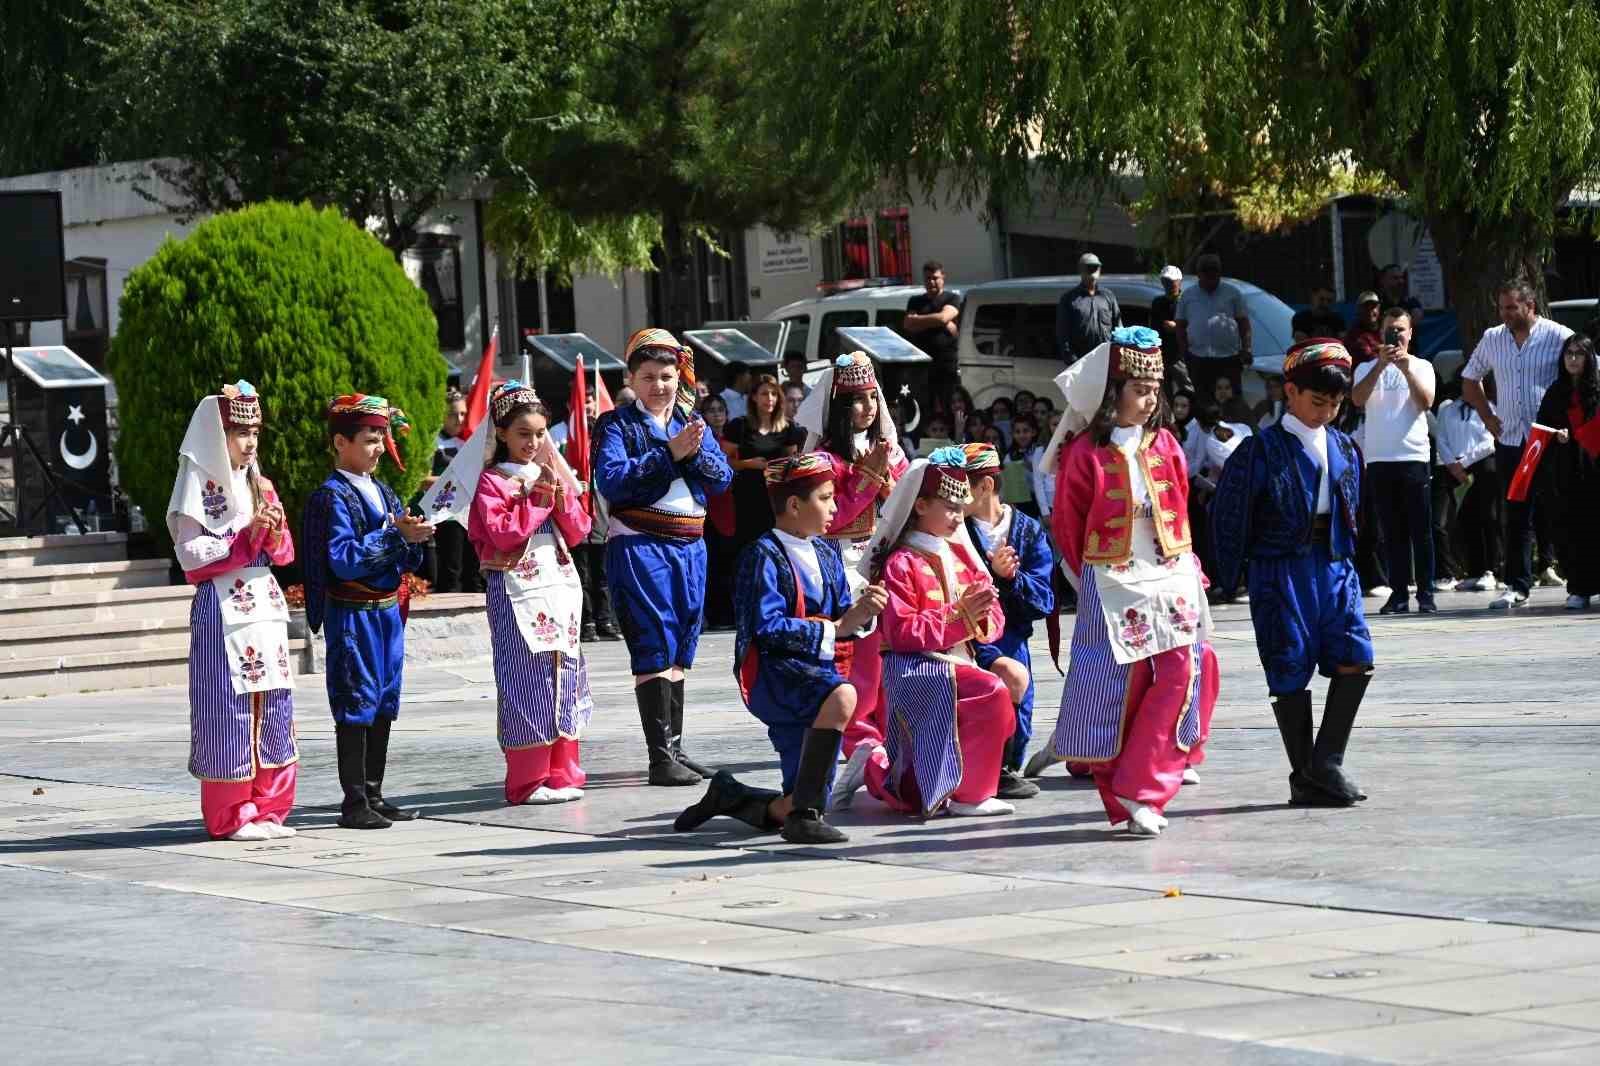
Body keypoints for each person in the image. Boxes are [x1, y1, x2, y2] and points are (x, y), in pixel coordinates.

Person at [1038, 327, 1218, 836]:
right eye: (1139, 388)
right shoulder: (1083, 453)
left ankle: (1146, 786)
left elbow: (1180, 505)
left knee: (1182, 670)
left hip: (1169, 572)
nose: (1150, 399)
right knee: (1117, 684)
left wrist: (1190, 568)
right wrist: (1089, 578)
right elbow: (1069, 526)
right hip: (1112, 579)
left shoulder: (1166, 443)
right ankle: (1120, 786)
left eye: (1153, 389)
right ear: (1110, 392)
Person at [674, 453, 888, 844]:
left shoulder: (826, 552)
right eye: (825, 498)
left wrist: (863, 613)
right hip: (774, 674)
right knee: (843, 697)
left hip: (818, 670)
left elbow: (843, 614)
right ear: (794, 505)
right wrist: (837, 627)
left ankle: (736, 797)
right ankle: (804, 817)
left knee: (802, 793)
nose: (835, 507)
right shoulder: (761, 555)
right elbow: (765, 628)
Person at [1211, 338, 1374, 808]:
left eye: (1335, 404)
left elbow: (1355, 506)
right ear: (1291, 391)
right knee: (1288, 665)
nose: (1326, 412)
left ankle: (1325, 763)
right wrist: (1227, 576)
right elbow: (1228, 514)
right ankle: (1306, 776)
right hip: (1281, 571)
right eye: (1317, 401)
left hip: (1335, 566)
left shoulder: (1345, 445)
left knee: (1355, 655)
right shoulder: (1260, 450)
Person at [594, 328, 735, 785]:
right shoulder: (615, 425)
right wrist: (670, 456)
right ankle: (660, 757)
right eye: (649, 376)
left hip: (691, 545)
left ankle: (675, 747)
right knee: (653, 638)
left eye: (667, 376)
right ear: (631, 378)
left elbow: (721, 478)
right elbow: (614, 481)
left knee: (680, 642)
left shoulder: (691, 423)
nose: (659, 386)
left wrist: (688, 453)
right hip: (640, 543)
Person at [855, 447, 1025, 817]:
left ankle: (950, 782)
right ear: (919, 506)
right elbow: (900, 632)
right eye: (947, 506)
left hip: (959, 661)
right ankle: (968, 795)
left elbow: (991, 616)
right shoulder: (901, 562)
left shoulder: (961, 555)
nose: (956, 516)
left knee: (1004, 689)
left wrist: (979, 617)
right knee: (991, 692)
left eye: (959, 506)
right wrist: (961, 617)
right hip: (917, 667)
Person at [168, 381, 298, 841]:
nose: (250, 443)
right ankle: (230, 813)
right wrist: (245, 538)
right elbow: (190, 553)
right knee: (228, 708)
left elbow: (284, 555)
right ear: (214, 436)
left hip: (263, 605)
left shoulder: (260, 484)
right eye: (240, 432)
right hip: (221, 607)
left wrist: (274, 532)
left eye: (255, 432)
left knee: (275, 703)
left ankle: (269, 806)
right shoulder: (197, 486)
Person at [303, 393, 433, 829]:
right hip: (353, 613)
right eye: (369, 439)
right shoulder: (332, 496)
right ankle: (353, 801)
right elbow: (341, 558)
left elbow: (402, 553)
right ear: (341, 443)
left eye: (381, 438)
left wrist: (413, 538)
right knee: (355, 700)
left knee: (383, 701)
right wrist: (397, 538)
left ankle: (375, 794)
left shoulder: (383, 491)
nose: (378, 448)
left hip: (386, 612)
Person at [466, 381, 595, 805]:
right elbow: (503, 534)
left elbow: (579, 531)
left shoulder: (548, 474)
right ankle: (528, 778)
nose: (534, 442)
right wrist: (539, 503)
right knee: (527, 677)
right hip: (516, 587)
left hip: (558, 586)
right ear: (502, 433)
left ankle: (562, 770)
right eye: (524, 433)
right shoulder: (491, 481)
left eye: (540, 434)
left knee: (565, 674)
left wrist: (560, 499)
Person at [795, 352, 910, 806]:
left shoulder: (892, 450)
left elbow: (904, 506)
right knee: (857, 662)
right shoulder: (823, 458)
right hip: (842, 566)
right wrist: (867, 479)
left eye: (870, 398)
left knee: (887, 660)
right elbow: (828, 518)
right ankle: (860, 743)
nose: (866, 407)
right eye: (855, 401)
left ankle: (882, 749)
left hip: (887, 563)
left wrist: (888, 475)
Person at [1460, 280, 1574, 609]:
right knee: (1517, 515)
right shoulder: (1493, 339)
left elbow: (1588, 369)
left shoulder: (1558, 335)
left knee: (1562, 510)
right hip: (1511, 441)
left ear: (1530, 306)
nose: (1505, 314)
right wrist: (1487, 417)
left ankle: (1579, 581)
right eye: (1502, 308)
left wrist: (1572, 418)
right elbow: (1470, 380)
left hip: (1551, 439)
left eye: (1512, 307)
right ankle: (1517, 585)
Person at [962, 442, 1054, 800]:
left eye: (963, 486)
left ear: (985, 485)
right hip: (966, 641)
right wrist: (990, 572)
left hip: (1012, 639)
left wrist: (1009, 577)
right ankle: (980, 772)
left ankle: (1003, 769)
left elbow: (1043, 600)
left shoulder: (1028, 531)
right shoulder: (955, 529)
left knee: (1018, 716)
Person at [1353, 310, 1438, 614]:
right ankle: (1399, 594)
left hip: (1413, 456)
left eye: (1401, 330)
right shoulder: (1365, 367)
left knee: (1421, 530)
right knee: (1392, 532)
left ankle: (1426, 593)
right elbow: (1358, 399)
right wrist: (1381, 364)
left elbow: (1426, 402)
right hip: (1379, 458)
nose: (1396, 336)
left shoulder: (1423, 365)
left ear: (1411, 333)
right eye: (1390, 330)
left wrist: (1404, 368)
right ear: (1381, 332)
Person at [1534, 334, 1600, 609]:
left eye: (1579, 354)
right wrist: (1555, 435)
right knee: (1569, 530)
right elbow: (1541, 429)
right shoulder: (1555, 393)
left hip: (1595, 470)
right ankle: (1578, 587)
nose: (1573, 359)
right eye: (1568, 354)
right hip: (1565, 471)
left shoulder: (1597, 392)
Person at [553, 388, 620, 642]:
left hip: (600, 515)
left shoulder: (604, 446)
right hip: (576, 516)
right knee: (581, 575)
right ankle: (586, 621)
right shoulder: (561, 440)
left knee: (602, 574)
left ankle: (606, 619)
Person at [724, 373, 807, 565]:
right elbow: (723, 460)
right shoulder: (739, 426)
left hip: (776, 498)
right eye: (764, 394)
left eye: (773, 394)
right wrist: (748, 464)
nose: (769, 399)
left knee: (776, 549)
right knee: (747, 548)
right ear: (753, 397)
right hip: (747, 496)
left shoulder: (788, 429)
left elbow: (791, 462)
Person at [420, 388, 478, 593]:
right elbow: (422, 480)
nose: (459, 419)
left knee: (475, 572)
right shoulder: (433, 442)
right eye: (453, 414)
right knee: (451, 572)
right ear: (443, 415)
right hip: (447, 515)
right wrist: (456, 480)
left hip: (473, 513)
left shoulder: (471, 440)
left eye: (463, 413)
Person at [1176, 253, 1252, 403]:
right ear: (1199, 274)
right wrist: (1185, 353)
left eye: (1214, 273)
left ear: (1219, 273)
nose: (1211, 277)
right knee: (1202, 402)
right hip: (1198, 359)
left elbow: (1243, 323)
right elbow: (1180, 325)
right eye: (1206, 273)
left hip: (1228, 359)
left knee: (1232, 402)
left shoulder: (1233, 293)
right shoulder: (1188, 295)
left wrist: (1247, 349)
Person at [698, 393, 738, 631]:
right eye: (711, 410)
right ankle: (711, 612)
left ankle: (727, 613)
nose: (716, 414)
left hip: (730, 508)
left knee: (729, 564)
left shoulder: (734, 441)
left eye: (720, 409)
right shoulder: (700, 440)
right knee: (710, 565)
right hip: (707, 508)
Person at [903, 260, 962, 408]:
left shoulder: (952, 298)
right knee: (923, 408)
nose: (931, 282)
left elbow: (944, 317)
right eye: (927, 278)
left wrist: (919, 320)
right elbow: (908, 324)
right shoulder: (915, 301)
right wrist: (942, 322)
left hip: (946, 366)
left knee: (949, 405)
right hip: (921, 367)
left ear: (943, 277)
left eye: (935, 278)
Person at [1056, 252, 1122, 363]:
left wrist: (1118, 355)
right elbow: (1063, 333)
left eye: (1095, 267)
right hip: (1080, 361)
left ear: (1100, 269)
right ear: (1080, 270)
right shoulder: (1069, 299)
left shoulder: (1108, 296)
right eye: (1088, 267)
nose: (1092, 270)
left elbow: (1118, 328)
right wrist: (1072, 359)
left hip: (1106, 360)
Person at [1002, 412, 1042, 518]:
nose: (1021, 435)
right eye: (1017, 432)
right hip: (1019, 503)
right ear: (1012, 434)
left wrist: (1031, 467)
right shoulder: (1009, 456)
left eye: (1025, 431)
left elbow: (1043, 480)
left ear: (1033, 432)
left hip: (1038, 501)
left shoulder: (1039, 452)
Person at [1342, 292, 1384, 367]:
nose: (1370, 311)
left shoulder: (1386, 328)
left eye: (1373, 307)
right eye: (1366, 307)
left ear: (1378, 308)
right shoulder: (1353, 335)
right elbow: (1369, 358)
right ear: (1358, 310)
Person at [1151, 265, 1183, 362]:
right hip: (1161, 356)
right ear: (1162, 282)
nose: (1170, 284)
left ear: (1179, 281)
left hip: (1181, 356)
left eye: (1173, 280)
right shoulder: (1157, 302)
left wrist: (1177, 327)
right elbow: (1153, 328)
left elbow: (1196, 327)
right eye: (1166, 281)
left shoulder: (1187, 301)